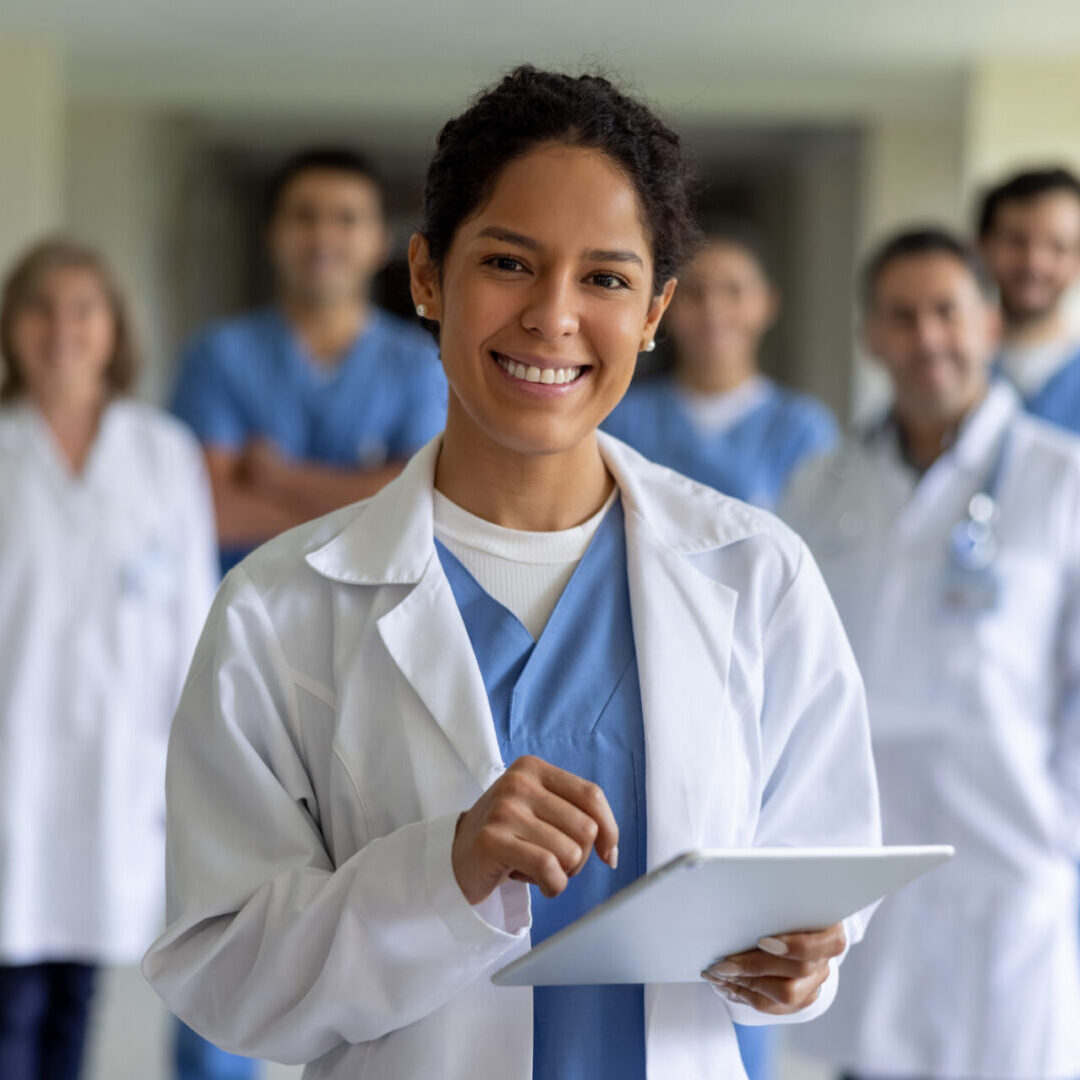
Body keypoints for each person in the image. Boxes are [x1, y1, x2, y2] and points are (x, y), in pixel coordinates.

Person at [143, 67, 881, 1080]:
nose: (554, 316)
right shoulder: (283, 605)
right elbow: (224, 974)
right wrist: (440, 875)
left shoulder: (757, 575)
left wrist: (800, 965)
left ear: (657, 308)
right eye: (509, 262)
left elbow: (819, 875)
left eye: (608, 279)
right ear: (427, 276)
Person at [783, 228, 1080, 1079]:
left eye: (946, 312)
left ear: (989, 321)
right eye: (900, 317)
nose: (927, 339)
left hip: (1010, 865)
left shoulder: (1062, 481)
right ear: (870, 336)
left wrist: (1061, 820)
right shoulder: (821, 486)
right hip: (866, 867)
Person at [0, 238, 217, 1079]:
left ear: (114, 329)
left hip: (118, 767)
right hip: (14, 759)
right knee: (11, 997)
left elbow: (193, 620)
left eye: (83, 310)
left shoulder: (161, 454)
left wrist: (188, 771)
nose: (63, 330)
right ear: (13, 328)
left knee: (76, 990)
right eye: (41, 310)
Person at [172, 145, 448, 575]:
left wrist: (279, 478)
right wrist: (362, 508)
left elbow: (423, 501)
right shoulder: (219, 354)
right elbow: (209, 507)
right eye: (303, 216)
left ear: (381, 242)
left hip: (374, 615)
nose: (323, 237)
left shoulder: (419, 365)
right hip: (245, 610)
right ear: (271, 234)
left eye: (346, 219)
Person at [602, 228, 837, 509]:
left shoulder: (802, 429)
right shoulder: (620, 417)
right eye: (694, 292)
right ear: (665, 305)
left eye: (733, 291)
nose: (712, 309)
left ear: (768, 303)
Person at [977, 166, 1080, 430]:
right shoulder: (951, 369)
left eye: (1057, 246)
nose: (1034, 263)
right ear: (983, 247)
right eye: (1016, 241)